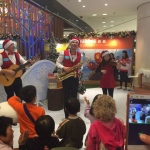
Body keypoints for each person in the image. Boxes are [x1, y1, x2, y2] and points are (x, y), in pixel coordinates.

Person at [56, 38, 82, 118]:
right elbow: (57, 62)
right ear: (70, 44)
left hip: (75, 77)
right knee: (66, 97)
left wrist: (80, 67)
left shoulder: (80, 54)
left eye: (76, 42)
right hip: (66, 77)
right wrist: (63, 67)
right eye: (73, 42)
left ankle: (73, 114)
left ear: (77, 45)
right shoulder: (63, 53)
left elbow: (81, 66)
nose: (74, 44)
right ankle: (66, 115)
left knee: (74, 96)